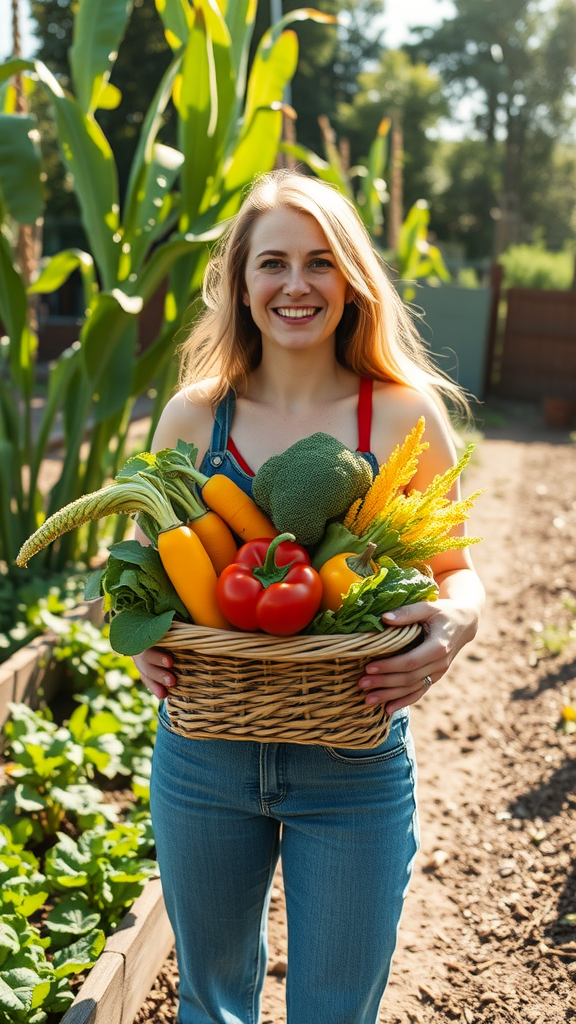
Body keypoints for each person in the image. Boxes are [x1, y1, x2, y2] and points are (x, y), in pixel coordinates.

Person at [133, 170, 485, 1024]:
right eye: (274, 264)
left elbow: (457, 572)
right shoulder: (193, 418)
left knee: (334, 1011)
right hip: (203, 753)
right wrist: (135, 629)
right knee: (209, 1006)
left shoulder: (402, 415)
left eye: (321, 263)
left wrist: (458, 621)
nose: (297, 285)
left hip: (352, 759)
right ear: (242, 285)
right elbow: (141, 568)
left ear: (352, 281)